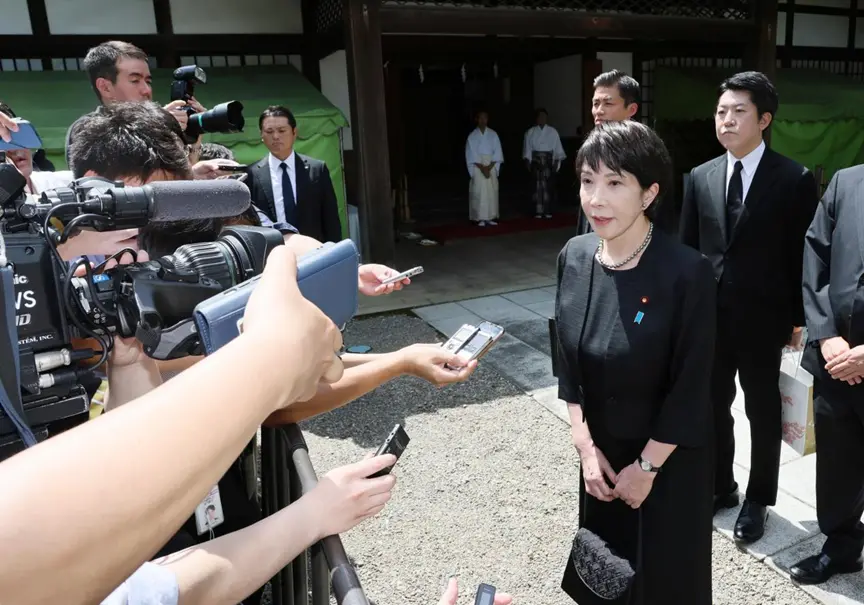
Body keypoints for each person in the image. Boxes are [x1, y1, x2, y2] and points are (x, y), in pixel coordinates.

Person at [556, 120, 715, 604]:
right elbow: (565, 359)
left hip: (667, 466)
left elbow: (693, 385)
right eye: (587, 180)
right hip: (600, 463)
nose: (596, 199)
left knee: (664, 581)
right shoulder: (575, 256)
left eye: (614, 182)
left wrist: (646, 468)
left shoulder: (687, 272)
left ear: (649, 193)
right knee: (604, 575)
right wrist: (583, 443)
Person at [679, 71, 819, 545]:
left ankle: (759, 498)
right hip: (709, 318)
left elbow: (803, 254)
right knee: (713, 404)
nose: (727, 120)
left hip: (764, 318)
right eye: (721, 111)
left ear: (764, 119)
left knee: (763, 409)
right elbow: (688, 251)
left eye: (739, 111)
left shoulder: (794, 178)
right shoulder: (699, 176)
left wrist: (800, 319)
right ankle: (721, 487)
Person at [790, 165, 864, 585]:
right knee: (837, 464)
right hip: (835, 360)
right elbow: (816, 253)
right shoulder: (847, 182)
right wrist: (824, 333)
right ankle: (841, 546)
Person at [244, 105, 343, 243]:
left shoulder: (317, 169)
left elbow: (330, 219)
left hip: (313, 250)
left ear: (294, 132)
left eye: (282, 130)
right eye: (269, 131)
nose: (276, 136)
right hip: (273, 251)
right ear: (261, 135)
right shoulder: (252, 174)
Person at [523, 108, 566, 219]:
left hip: (548, 161)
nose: (541, 119)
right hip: (536, 162)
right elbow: (527, 150)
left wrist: (557, 161)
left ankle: (548, 210)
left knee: (548, 186)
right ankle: (537, 211)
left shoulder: (553, 132)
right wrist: (528, 161)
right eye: (540, 117)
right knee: (536, 187)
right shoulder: (530, 132)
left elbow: (557, 149)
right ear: (536, 119)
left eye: (544, 117)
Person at [465, 109, 504, 227]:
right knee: (479, 192)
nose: (483, 120)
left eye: (485, 118)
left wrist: (490, 167)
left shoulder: (493, 134)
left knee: (491, 192)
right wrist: (482, 168)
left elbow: (497, 152)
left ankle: (491, 217)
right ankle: (479, 217)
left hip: (490, 165)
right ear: (476, 119)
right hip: (478, 166)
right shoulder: (472, 136)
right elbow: (471, 154)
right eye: (480, 118)